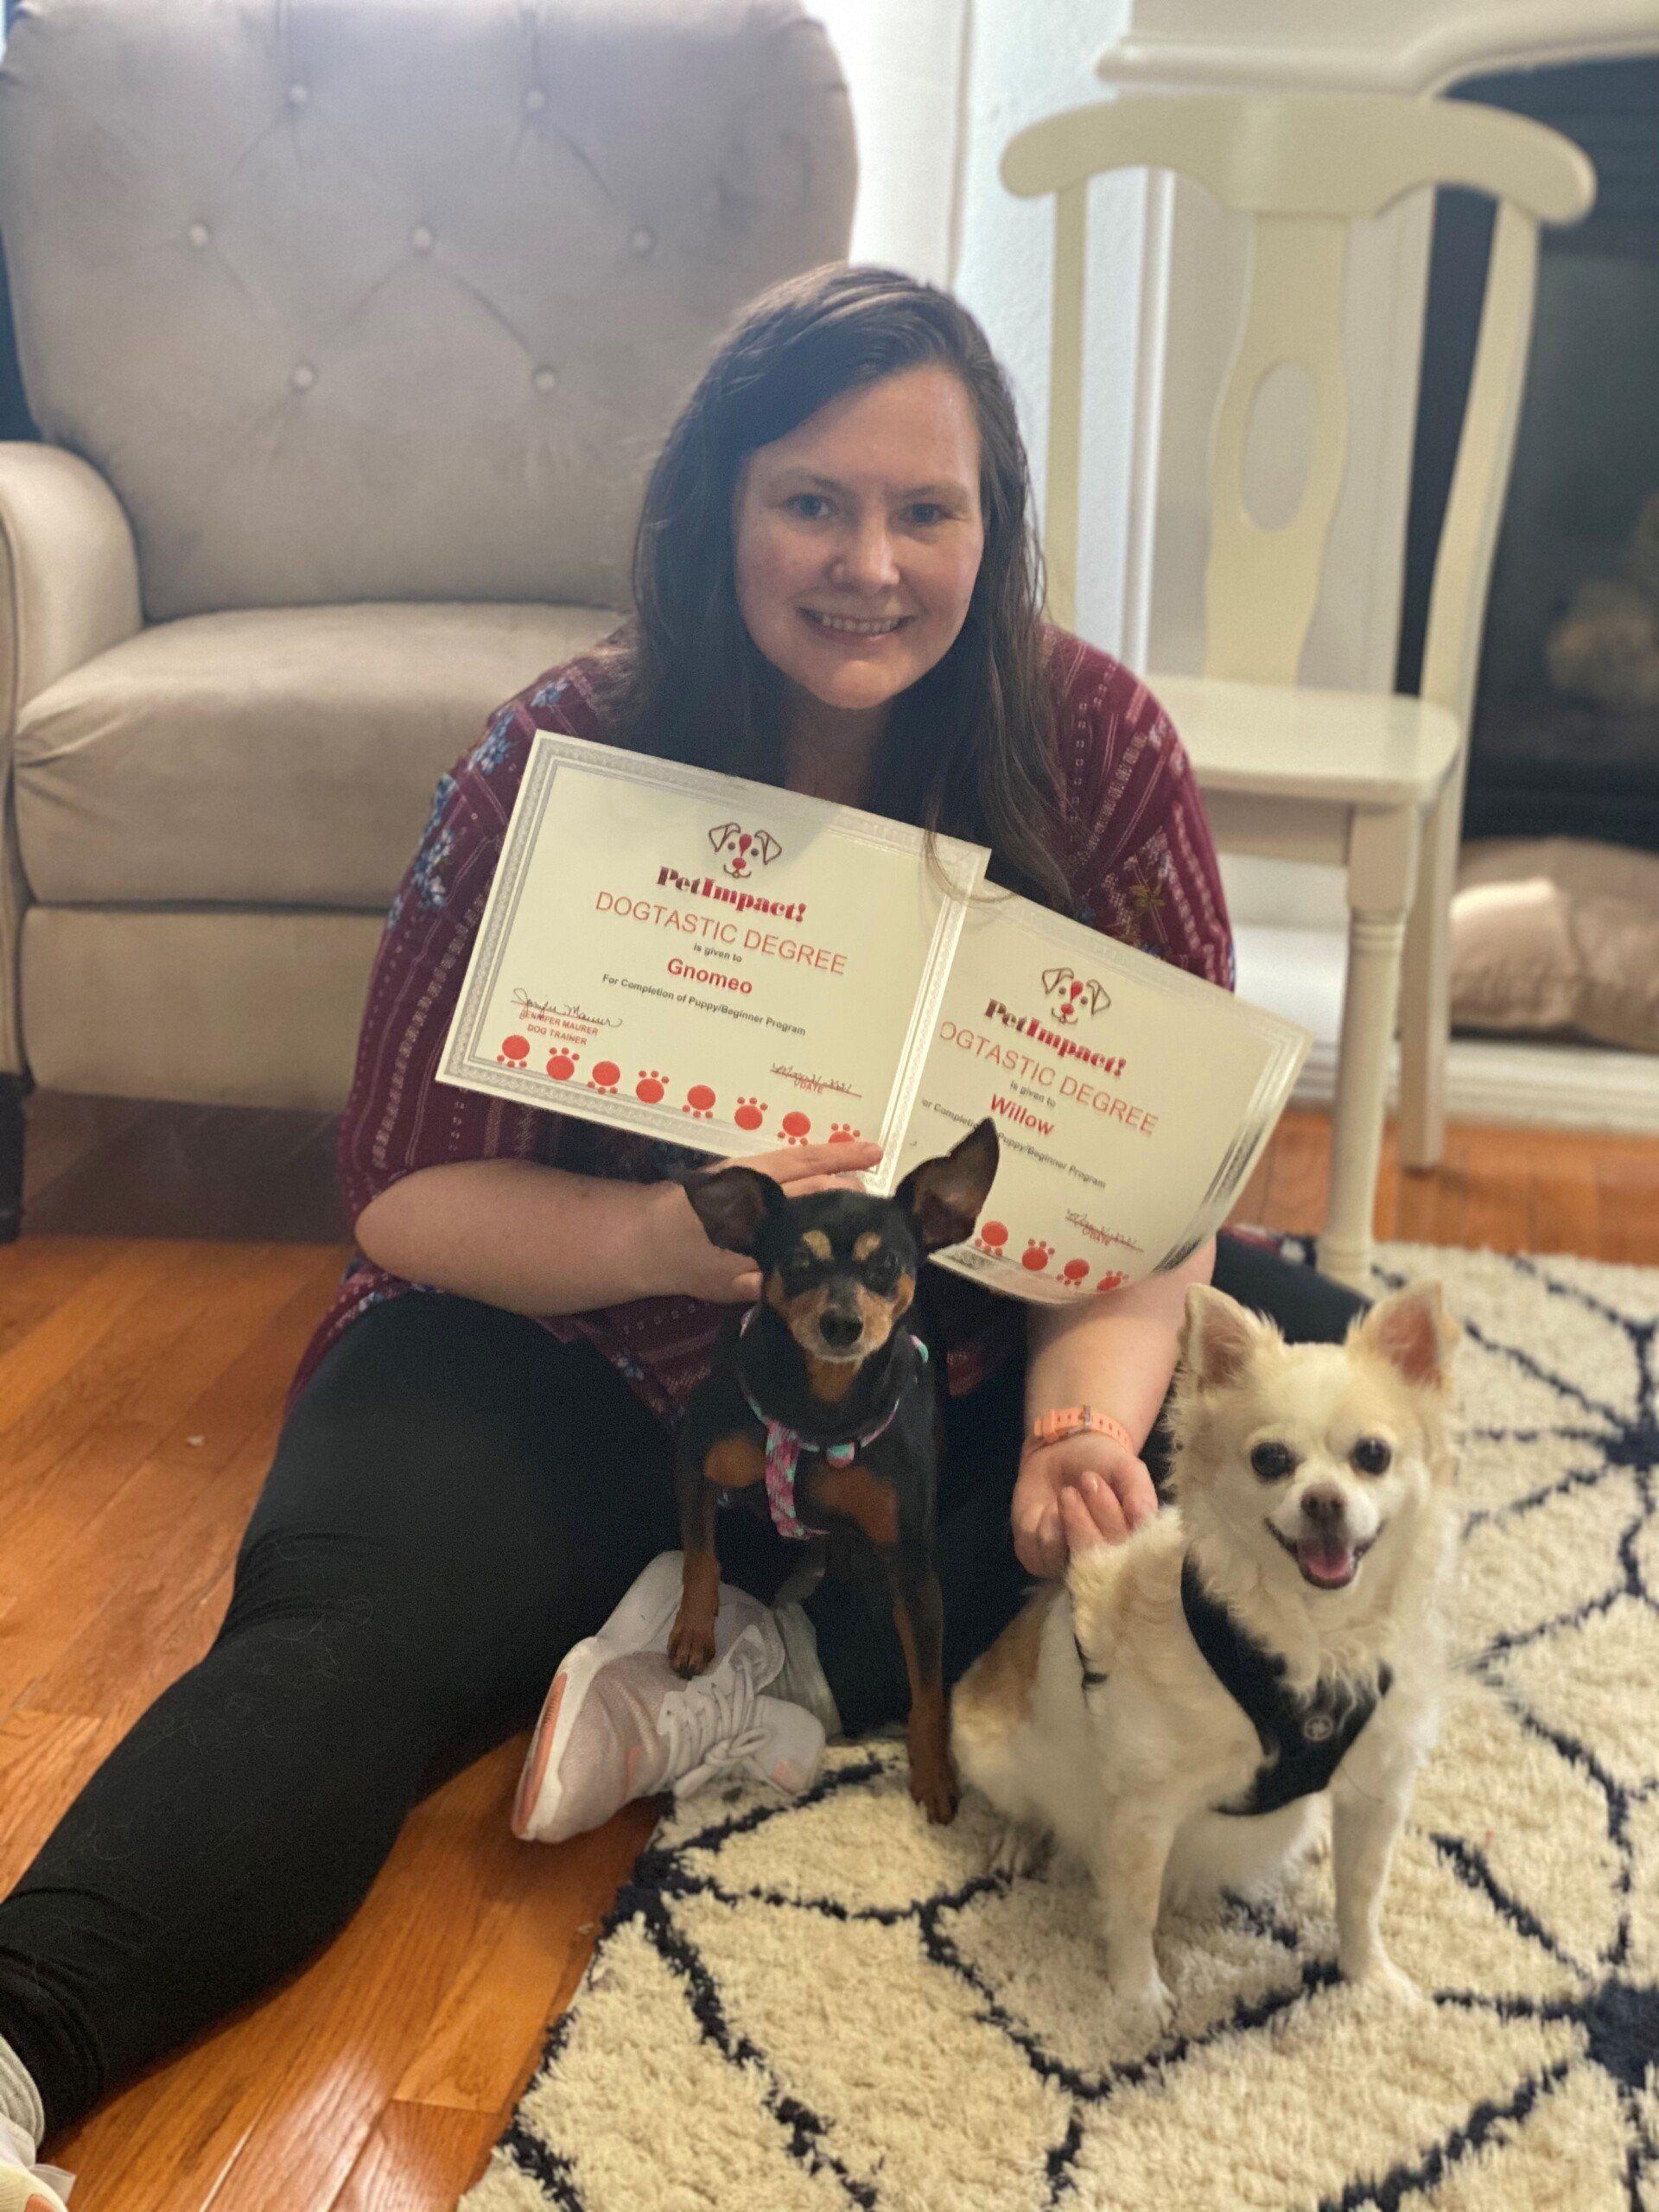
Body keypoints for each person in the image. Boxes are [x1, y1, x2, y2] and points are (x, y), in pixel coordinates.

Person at [0, 264, 1363, 2200]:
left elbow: (1149, 1220)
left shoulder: (1097, 748)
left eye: (928, 508)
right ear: (714, 506)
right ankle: (15, 2038)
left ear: (1000, 522)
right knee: (347, 1649)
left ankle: (755, 1679)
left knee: (1266, 1421)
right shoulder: (557, 755)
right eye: (811, 500)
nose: (871, 562)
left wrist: (1086, 1435)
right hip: (559, 1331)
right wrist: (674, 1236)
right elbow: (400, 1186)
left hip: (949, 1357)